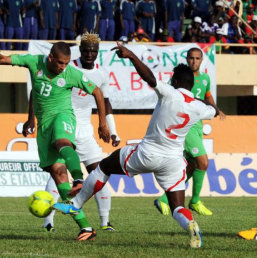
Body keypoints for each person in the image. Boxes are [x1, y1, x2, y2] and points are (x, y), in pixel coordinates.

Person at [53, 42, 219, 248]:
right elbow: (213, 110)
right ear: (192, 85)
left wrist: (131, 55)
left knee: (104, 167)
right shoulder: (199, 107)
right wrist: (206, 102)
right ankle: (190, 225)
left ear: (175, 81)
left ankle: (76, 205)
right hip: (174, 162)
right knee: (177, 207)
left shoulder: (169, 93)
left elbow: (149, 77)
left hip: (147, 153)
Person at [0, 41, 110, 240]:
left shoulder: (71, 73)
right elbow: (4, 59)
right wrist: (30, 118)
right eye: (60, 63)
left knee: (62, 143)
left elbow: (97, 92)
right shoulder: (33, 62)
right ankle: (86, 228)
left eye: (66, 63)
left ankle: (78, 178)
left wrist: (103, 123)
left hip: (63, 116)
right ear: (50, 58)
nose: (63, 67)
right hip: (44, 127)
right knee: (59, 176)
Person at [23, 33, 120, 232]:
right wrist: (31, 117)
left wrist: (110, 128)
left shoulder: (102, 74)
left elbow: (105, 101)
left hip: (86, 130)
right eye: (85, 50)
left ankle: (104, 222)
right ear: (80, 50)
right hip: (64, 122)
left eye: (93, 51)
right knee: (57, 173)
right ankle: (48, 221)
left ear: (97, 52)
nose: (89, 54)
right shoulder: (67, 66)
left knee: (100, 173)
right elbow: (38, 88)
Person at [154, 47, 226, 216]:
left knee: (193, 166)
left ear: (202, 60)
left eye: (197, 58)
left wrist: (216, 108)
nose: (194, 61)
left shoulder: (205, 78)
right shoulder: (180, 79)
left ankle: (165, 199)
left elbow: (208, 96)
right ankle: (195, 201)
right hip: (185, 125)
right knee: (203, 162)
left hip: (198, 125)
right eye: (191, 58)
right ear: (187, 59)